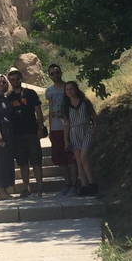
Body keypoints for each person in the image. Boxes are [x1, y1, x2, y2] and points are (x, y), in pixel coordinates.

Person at [6, 67, 45, 198]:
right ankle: (26, 188)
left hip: (31, 132)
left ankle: (40, 188)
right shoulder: (9, 97)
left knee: (36, 161)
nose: (15, 81)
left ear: (21, 79)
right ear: (10, 81)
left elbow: (38, 111)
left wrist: (40, 127)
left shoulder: (30, 93)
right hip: (17, 134)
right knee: (22, 163)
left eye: (17, 79)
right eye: (12, 80)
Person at [45, 63, 79, 196]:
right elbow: (50, 108)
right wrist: (49, 127)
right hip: (56, 127)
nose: (55, 75)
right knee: (60, 158)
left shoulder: (68, 88)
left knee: (72, 158)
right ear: (49, 75)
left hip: (69, 126)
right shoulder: (49, 91)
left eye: (57, 72)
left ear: (61, 73)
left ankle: (75, 185)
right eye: (52, 73)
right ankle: (67, 184)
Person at [63, 81, 98, 196]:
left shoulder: (84, 102)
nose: (69, 91)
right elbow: (66, 124)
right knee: (78, 161)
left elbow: (93, 115)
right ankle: (84, 185)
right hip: (74, 132)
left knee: (84, 157)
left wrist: (94, 128)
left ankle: (92, 183)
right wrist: (66, 140)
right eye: (67, 89)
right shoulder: (67, 105)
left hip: (86, 129)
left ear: (76, 89)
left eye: (71, 89)